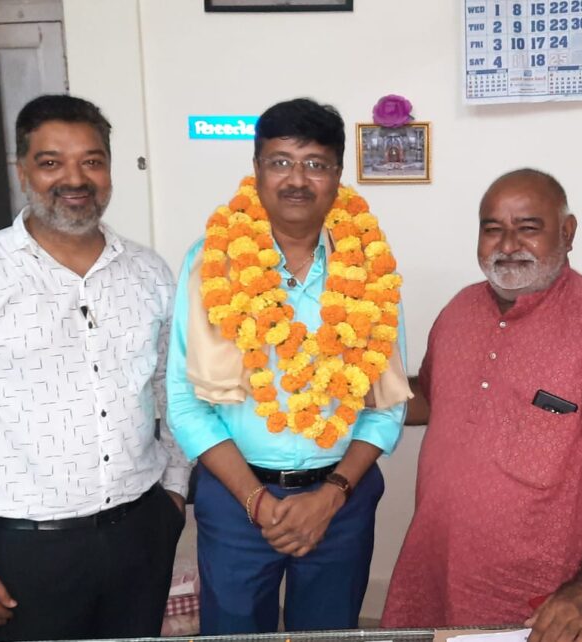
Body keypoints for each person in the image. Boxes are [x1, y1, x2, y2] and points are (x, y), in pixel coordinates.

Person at [0, 94, 190, 642]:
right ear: (22, 171)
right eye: (51, 162)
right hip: (25, 549)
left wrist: (174, 488)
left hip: (141, 530)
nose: (75, 178)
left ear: (109, 170)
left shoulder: (149, 272)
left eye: (92, 161)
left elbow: (172, 391)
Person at [382, 169, 582, 642]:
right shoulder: (459, 310)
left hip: (536, 599)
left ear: (568, 232)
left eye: (528, 227)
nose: (508, 245)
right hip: (435, 566)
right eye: (492, 228)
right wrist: (344, 387)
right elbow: (433, 399)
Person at [167, 97, 409, 633]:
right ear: (256, 170)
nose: (297, 179)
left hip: (341, 499)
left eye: (315, 164)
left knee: (327, 633)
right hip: (235, 497)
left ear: (337, 176)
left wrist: (331, 496)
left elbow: (385, 405)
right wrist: (254, 500)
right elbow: (184, 402)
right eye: (280, 162)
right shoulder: (210, 263)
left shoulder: (370, 268)